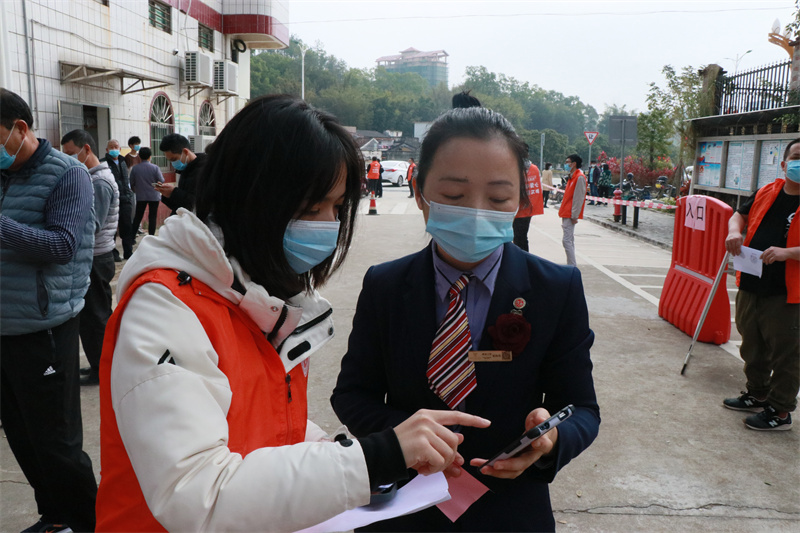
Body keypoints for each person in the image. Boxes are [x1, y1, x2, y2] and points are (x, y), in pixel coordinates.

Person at [95, 94, 490, 531]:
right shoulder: (165, 307)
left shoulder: (258, 296)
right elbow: (197, 495)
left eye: (336, 208)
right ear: (248, 195)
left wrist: (340, 453)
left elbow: (267, 422)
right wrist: (373, 458)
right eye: (309, 209)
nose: (327, 225)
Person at [331, 106, 600, 532]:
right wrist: (404, 439)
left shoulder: (555, 288)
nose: (476, 211)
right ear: (420, 193)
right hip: (404, 506)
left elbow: (581, 408)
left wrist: (550, 441)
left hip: (509, 509)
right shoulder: (386, 285)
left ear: (520, 202)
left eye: (498, 199)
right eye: (454, 196)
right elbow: (352, 394)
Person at [0, 88, 98, 533]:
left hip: (44, 328)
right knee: (22, 434)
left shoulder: (68, 175)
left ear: (19, 129)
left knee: (56, 441)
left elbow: (62, 246)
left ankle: (88, 522)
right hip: (5, 325)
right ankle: (56, 517)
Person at [723, 137, 800, 431]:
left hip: (787, 292)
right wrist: (734, 232)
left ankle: (780, 411)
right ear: (783, 164)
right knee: (751, 343)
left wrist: (787, 253)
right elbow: (739, 215)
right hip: (751, 280)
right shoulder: (767, 192)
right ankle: (757, 393)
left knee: (786, 353)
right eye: (797, 157)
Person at [61, 129, 120, 387]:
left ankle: (102, 370)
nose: (69, 159)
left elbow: (93, 225)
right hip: (94, 256)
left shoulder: (100, 182)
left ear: (87, 149)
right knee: (91, 316)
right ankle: (98, 364)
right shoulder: (92, 177)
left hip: (97, 257)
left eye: (72, 154)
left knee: (96, 317)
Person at [157, 133, 206, 214]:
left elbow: (194, 204)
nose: (173, 163)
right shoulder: (186, 170)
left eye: (174, 159)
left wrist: (173, 192)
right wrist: (168, 195)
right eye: (170, 161)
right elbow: (179, 206)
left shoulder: (203, 170)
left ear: (185, 152)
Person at [103, 139, 136, 261]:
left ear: (120, 149)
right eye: (111, 147)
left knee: (127, 227)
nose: (114, 149)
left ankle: (128, 252)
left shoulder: (123, 161)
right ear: (107, 150)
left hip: (126, 199)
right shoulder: (104, 163)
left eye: (116, 147)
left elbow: (126, 179)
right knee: (111, 228)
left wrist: (129, 194)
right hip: (112, 200)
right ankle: (113, 254)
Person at [559, 154, 587, 266]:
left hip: (570, 213)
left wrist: (574, 215)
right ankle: (571, 265)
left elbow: (578, 198)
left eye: (567, 162)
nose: (566, 164)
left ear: (574, 164)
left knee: (566, 241)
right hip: (566, 212)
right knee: (569, 240)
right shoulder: (572, 176)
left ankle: (572, 266)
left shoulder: (579, 177)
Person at [129, 147, 163, 236]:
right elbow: (161, 180)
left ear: (139, 156)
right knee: (152, 217)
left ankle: (132, 237)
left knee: (138, 216)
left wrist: (136, 190)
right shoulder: (155, 168)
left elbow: (131, 182)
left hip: (141, 196)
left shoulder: (135, 168)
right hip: (154, 195)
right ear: (150, 156)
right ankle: (151, 236)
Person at [513, 156, 543, 252]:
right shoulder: (534, 168)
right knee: (522, 236)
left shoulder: (517, 168)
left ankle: (520, 257)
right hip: (529, 208)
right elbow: (539, 187)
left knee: (518, 237)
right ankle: (524, 256)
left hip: (519, 208)